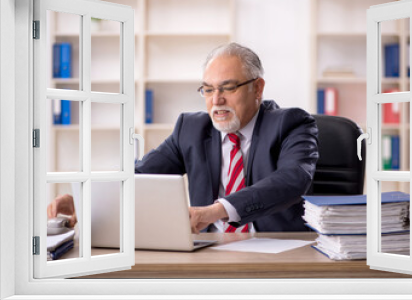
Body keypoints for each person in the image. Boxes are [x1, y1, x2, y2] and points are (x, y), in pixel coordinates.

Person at [48, 43, 319, 234]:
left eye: (228, 88)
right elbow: (141, 174)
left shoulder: (291, 123)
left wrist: (215, 211)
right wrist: (84, 197)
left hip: (276, 248)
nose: (217, 100)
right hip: (207, 249)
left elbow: (292, 179)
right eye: (208, 89)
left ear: (257, 88)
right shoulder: (191, 128)